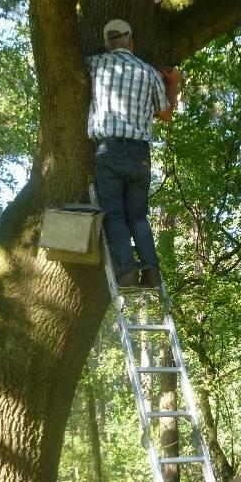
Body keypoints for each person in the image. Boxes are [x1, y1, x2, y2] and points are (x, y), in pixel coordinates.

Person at [87, 19, 183, 288]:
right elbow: (165, 114)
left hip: (108, 149)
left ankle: (128, 270)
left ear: (107, 43)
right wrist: (173, 82)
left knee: (114, 215)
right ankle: (151, 271)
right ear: (132, 40)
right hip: (139, 154)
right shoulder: (149, 72)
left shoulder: (96, 64)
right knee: (138, 216)